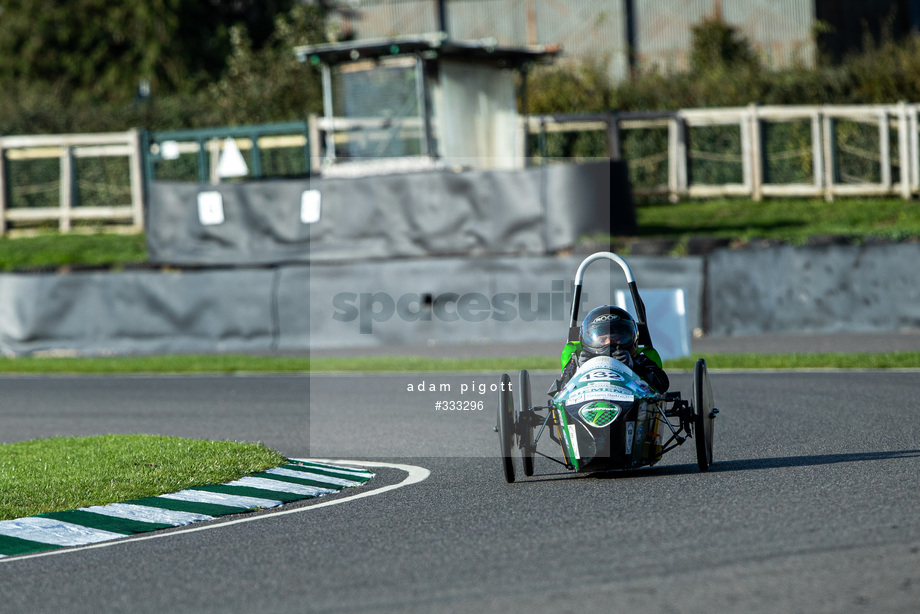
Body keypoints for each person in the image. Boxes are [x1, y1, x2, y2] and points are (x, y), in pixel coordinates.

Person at [560, 305, 669, 393]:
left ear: (633, 338)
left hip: (630, 410)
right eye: (602, 339)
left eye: (616, 338)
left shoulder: (641, 360)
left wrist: (635, 369)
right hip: (587, 406)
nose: (609, 343)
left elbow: (662, 385)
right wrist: (578, 371)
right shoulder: (577, 362)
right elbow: (560, 390)